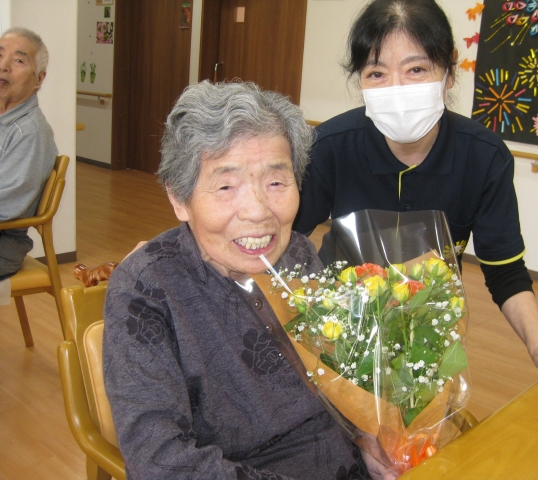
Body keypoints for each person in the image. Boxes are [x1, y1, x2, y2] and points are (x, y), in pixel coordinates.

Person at [293, 0, 538, 391]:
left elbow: (504, 270)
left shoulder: (483, 157)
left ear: (449, 71)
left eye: (416, 69)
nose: (397, 89)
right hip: (338, 327)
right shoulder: (330, 147)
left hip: (429, 331)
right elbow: (286, 244)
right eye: (377, 73)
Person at [103, 81, 387, 479]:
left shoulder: (298, 254)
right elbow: (160, 461)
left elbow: (344, 374)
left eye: (276, 182)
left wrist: (371, 434)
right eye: (226, 186)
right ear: (179, 199)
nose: (257, 211)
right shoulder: (147, 291)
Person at [0, 27, 57, 281]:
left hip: (4, 244)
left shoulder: (30, 132)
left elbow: (6, 205)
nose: (3, 66)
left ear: (38, 79)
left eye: (18, 61)